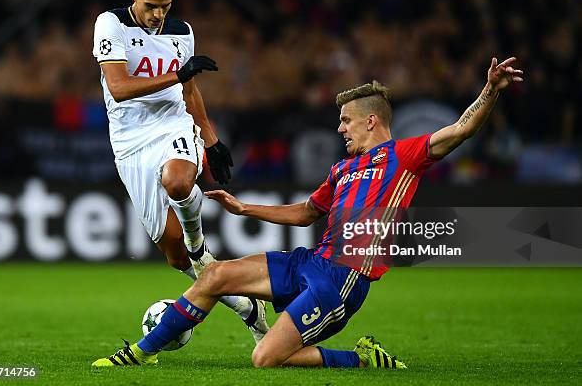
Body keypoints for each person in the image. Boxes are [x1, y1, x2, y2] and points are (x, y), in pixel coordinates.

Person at [92, 57, 523, 368]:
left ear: (371, 121)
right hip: (311, 263)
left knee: (265, 359)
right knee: (214, 276)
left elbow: (461, 129)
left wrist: (489, 91)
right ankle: (139, 353)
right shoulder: (342, 168)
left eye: (346, 121)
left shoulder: (406, 155)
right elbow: (304, 213)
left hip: (342, 280)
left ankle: (362, 360)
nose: (340, 128)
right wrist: (244, 208)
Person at [91, 0, 268, 343]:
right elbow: (119, 87)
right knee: (176, 258)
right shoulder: (111, 24)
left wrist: (210, 138)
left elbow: (188, 92)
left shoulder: (181, 32)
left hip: (172, 124)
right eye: (151, 5)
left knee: (177, 180)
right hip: (129, 140)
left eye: (165, 7)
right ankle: (249, 309)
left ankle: (198, 242)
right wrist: (179, 74)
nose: (157, 15)